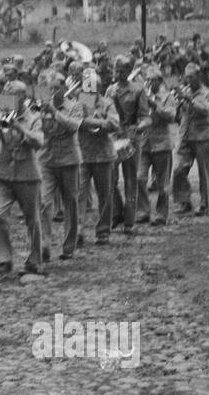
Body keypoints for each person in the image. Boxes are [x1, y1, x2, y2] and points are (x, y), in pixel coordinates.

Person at [0, 81, 45, 277]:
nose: (9, 99)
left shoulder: (34, 118)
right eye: (7, 95)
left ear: (23, 97)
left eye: (13, 95)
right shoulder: (1, 115)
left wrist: (20, 129)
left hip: (27, 175)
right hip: (3, 174)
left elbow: (39, 142)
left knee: (33, 220)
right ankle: (4, 259)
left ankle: (34, 261)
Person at [38, 74, 82, 261]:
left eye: (56, 88)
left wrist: (55, 113)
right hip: (47, 160)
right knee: (44, 202)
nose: (53, 92)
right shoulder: (42, 107)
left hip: (69, 160)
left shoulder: (75, 106)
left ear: (64, 89)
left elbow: (73, 127)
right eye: (51, 88)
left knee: (70, 203)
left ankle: (68, 247)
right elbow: (37, 130)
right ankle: (44, 245)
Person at [106, 55, 150, 234]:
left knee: (131, 180)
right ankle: (116, 213)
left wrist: (139, 127)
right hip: (114, 137)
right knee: (110, 178)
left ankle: (129, 221)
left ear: (129, 71)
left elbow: (146, 116)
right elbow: (102, 110)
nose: (117, 74)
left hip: (131, 137)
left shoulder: (138, 90)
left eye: (121, 71)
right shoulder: (110, 90)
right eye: (116, 71)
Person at [76, 68, 119, 246]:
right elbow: (75, 121)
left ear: (99, 88)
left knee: (104, 195)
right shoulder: (81, 101)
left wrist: (93, 122)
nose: (88, 90)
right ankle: (77, 231)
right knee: (79, 194)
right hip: (83, 154)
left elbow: (114, 123)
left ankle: (103, 232)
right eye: (86, 86)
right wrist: (99, 122)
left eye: (92, 87)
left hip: (103, 155)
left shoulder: (107, 103)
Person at [171, 64, 209, 216]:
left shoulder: (208, 92)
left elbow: (208, 111)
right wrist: (177, 103)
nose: (188, 80)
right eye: (187, 77)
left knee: (204, 173)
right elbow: (177, 115)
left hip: (202, 137)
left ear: (198, 76)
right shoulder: (185, 91)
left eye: (191, 77)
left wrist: (190, 101)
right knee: (178, 169)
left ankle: (204, 205)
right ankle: (184, 201)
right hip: (185, 136)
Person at [137, 67, 178, 225]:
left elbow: (171, 117)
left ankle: (161, 214)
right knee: (139, 178)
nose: (148, 83)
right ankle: (143, 211)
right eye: (147, 79)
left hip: (162, 144)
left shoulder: (167, 96)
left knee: (163, 184)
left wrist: (155, 105)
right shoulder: (142, 96)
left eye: (152, 80)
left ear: (159, 81)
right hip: (145, 143)